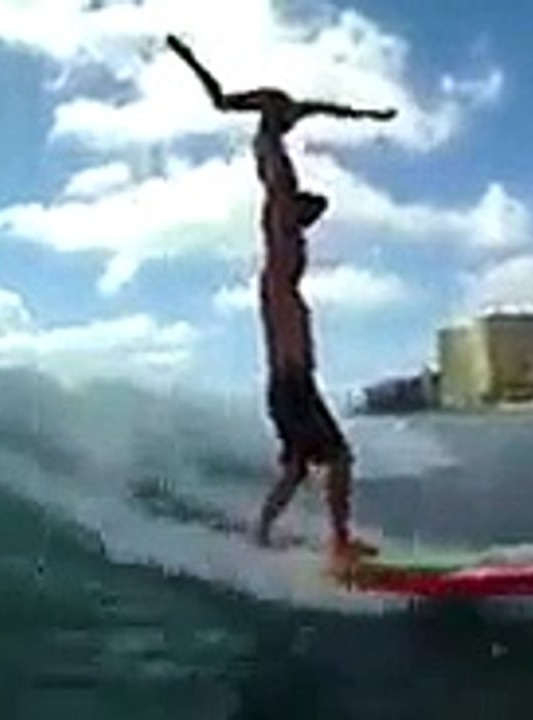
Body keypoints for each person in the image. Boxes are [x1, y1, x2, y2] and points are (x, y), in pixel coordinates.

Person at [166, 34, 395, 563]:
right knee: (338, 459)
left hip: (288, 384)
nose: (312, 214)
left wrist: (371, 115)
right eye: (306, 208)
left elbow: (331, 109)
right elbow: (225, 104)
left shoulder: (287, 267)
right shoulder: (277, 230)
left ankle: (261, 535)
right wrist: (189, 58)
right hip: (292, 384)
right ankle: (340, 544)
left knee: (296, 468)